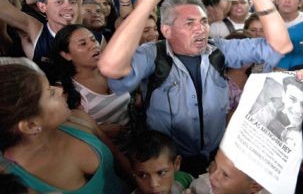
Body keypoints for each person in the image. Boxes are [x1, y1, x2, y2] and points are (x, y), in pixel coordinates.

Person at [98, 0, 292, 176]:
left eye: (204, 21)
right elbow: (111, 67)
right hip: (170, 167)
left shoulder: (219, 49)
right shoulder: (153, 55)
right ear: (166, 29)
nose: (200, 29)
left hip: (215, 159)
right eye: (189, 23)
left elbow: (280, 46)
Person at [0, 63, 124, 193]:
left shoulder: (78, 120)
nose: (60, 90)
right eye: (50, 92)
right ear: (31, 125)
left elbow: (118, 158)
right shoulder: (13, 183)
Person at [0, 0, 87, 82]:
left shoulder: (82, 31)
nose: (68, 7)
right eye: (59, 1)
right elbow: (4, 9)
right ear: (42, 7)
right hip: (50, 98)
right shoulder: (36, 30)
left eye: (72, 2)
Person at [52, 24, 131, 140]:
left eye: (93, 39)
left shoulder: (113, 71)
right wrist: (100, 131)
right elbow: (63, 132)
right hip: (103, 154)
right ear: (66, 55)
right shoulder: (65, 91)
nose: (93, 45)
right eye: (83, 44)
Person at [126, 130, 193, 194]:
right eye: (142, 175)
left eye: (161, 173)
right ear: (133, 172)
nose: (153, 184)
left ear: (176, 164)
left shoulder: (184, 180)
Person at [186, 149, 268, 194]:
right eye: (215, 163)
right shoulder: (200, 187)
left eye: (225, 174)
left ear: (255, 186)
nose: (211, 176)